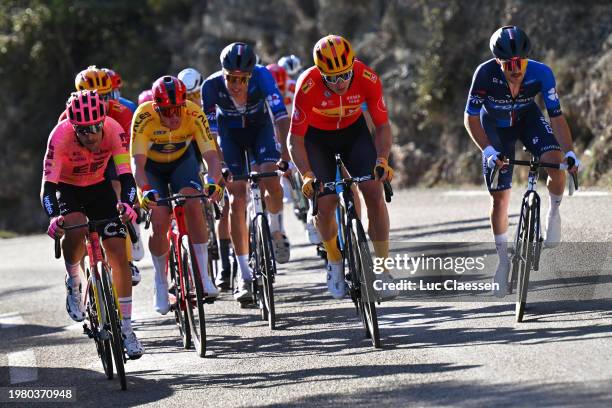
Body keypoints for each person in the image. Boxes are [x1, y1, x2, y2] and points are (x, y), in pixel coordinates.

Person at [464, 26, 580, 297]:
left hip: (528, 119)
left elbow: (556, 116)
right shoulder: (484, 74)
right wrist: (489, 150)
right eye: (509, 64)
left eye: (521, 62)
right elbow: (469, 118)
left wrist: (571, 151)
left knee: (555, 162)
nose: (516, 69)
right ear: (498, 62)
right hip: (494, 126)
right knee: (500, 199)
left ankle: (553, 212)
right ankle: (503, 262)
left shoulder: (542, 73)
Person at [287, 34, 397, 300]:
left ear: (352, 66)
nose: (340, 83)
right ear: (320, 73)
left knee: (373, 191)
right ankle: (335, 262)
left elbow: (382, 125)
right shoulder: (307, 85)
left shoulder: (367, 77)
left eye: (345, 75)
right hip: (316, 140)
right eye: (332, 78)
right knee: (326, 204)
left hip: (353, 134)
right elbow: (295, 140)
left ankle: (382, 269)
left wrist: (382, 159)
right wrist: (307, 175)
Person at [41, 90, 144, 358]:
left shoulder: (113, 129)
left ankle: (126, 328)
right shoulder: (59, 137)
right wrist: (54, 217)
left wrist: (129, 205)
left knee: (118, 254)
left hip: (99, 187)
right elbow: (48, 188)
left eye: (95, 127)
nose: (91, 135)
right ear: (73, 127)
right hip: (68, 188)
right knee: (74, 229)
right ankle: (74, 282)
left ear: (103, 121)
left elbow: (127, 177)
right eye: (84, 131)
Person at [201, 42, 292, 303]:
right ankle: (244, 275)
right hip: (230, 137)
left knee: (271, 179)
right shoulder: (211, 87)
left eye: (242, 79)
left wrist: (285, 157)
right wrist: (221, 168)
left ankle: (275, 230)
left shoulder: (263, 76)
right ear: (223, 72)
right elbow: (212, 136)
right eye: (231, 78)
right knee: (236, 198)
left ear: (250, 75)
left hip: (260, 130)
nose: (236, 84)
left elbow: (281, 117)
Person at [131, 75, 223, 314]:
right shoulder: (143, 116)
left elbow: (211, 156)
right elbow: (137, 165)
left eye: (177, 110)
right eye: (166, 111)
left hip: (182, 164)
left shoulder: (193, 113)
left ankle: (203, 275)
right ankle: (161, 284)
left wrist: (213, 181)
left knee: (194, 202)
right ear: (156, 107)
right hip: (153, 169)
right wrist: (144, 191)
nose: (173, 117)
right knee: (160, 219)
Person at [71, 66, 143, 284]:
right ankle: (82, 284)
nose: (100, 102)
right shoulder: (73, 112)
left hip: (113, 154)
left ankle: (129, 246)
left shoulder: (124, 110)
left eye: (105, 96)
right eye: (93, 96)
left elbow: (131, 151)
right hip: (83, 160)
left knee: (118, 186)